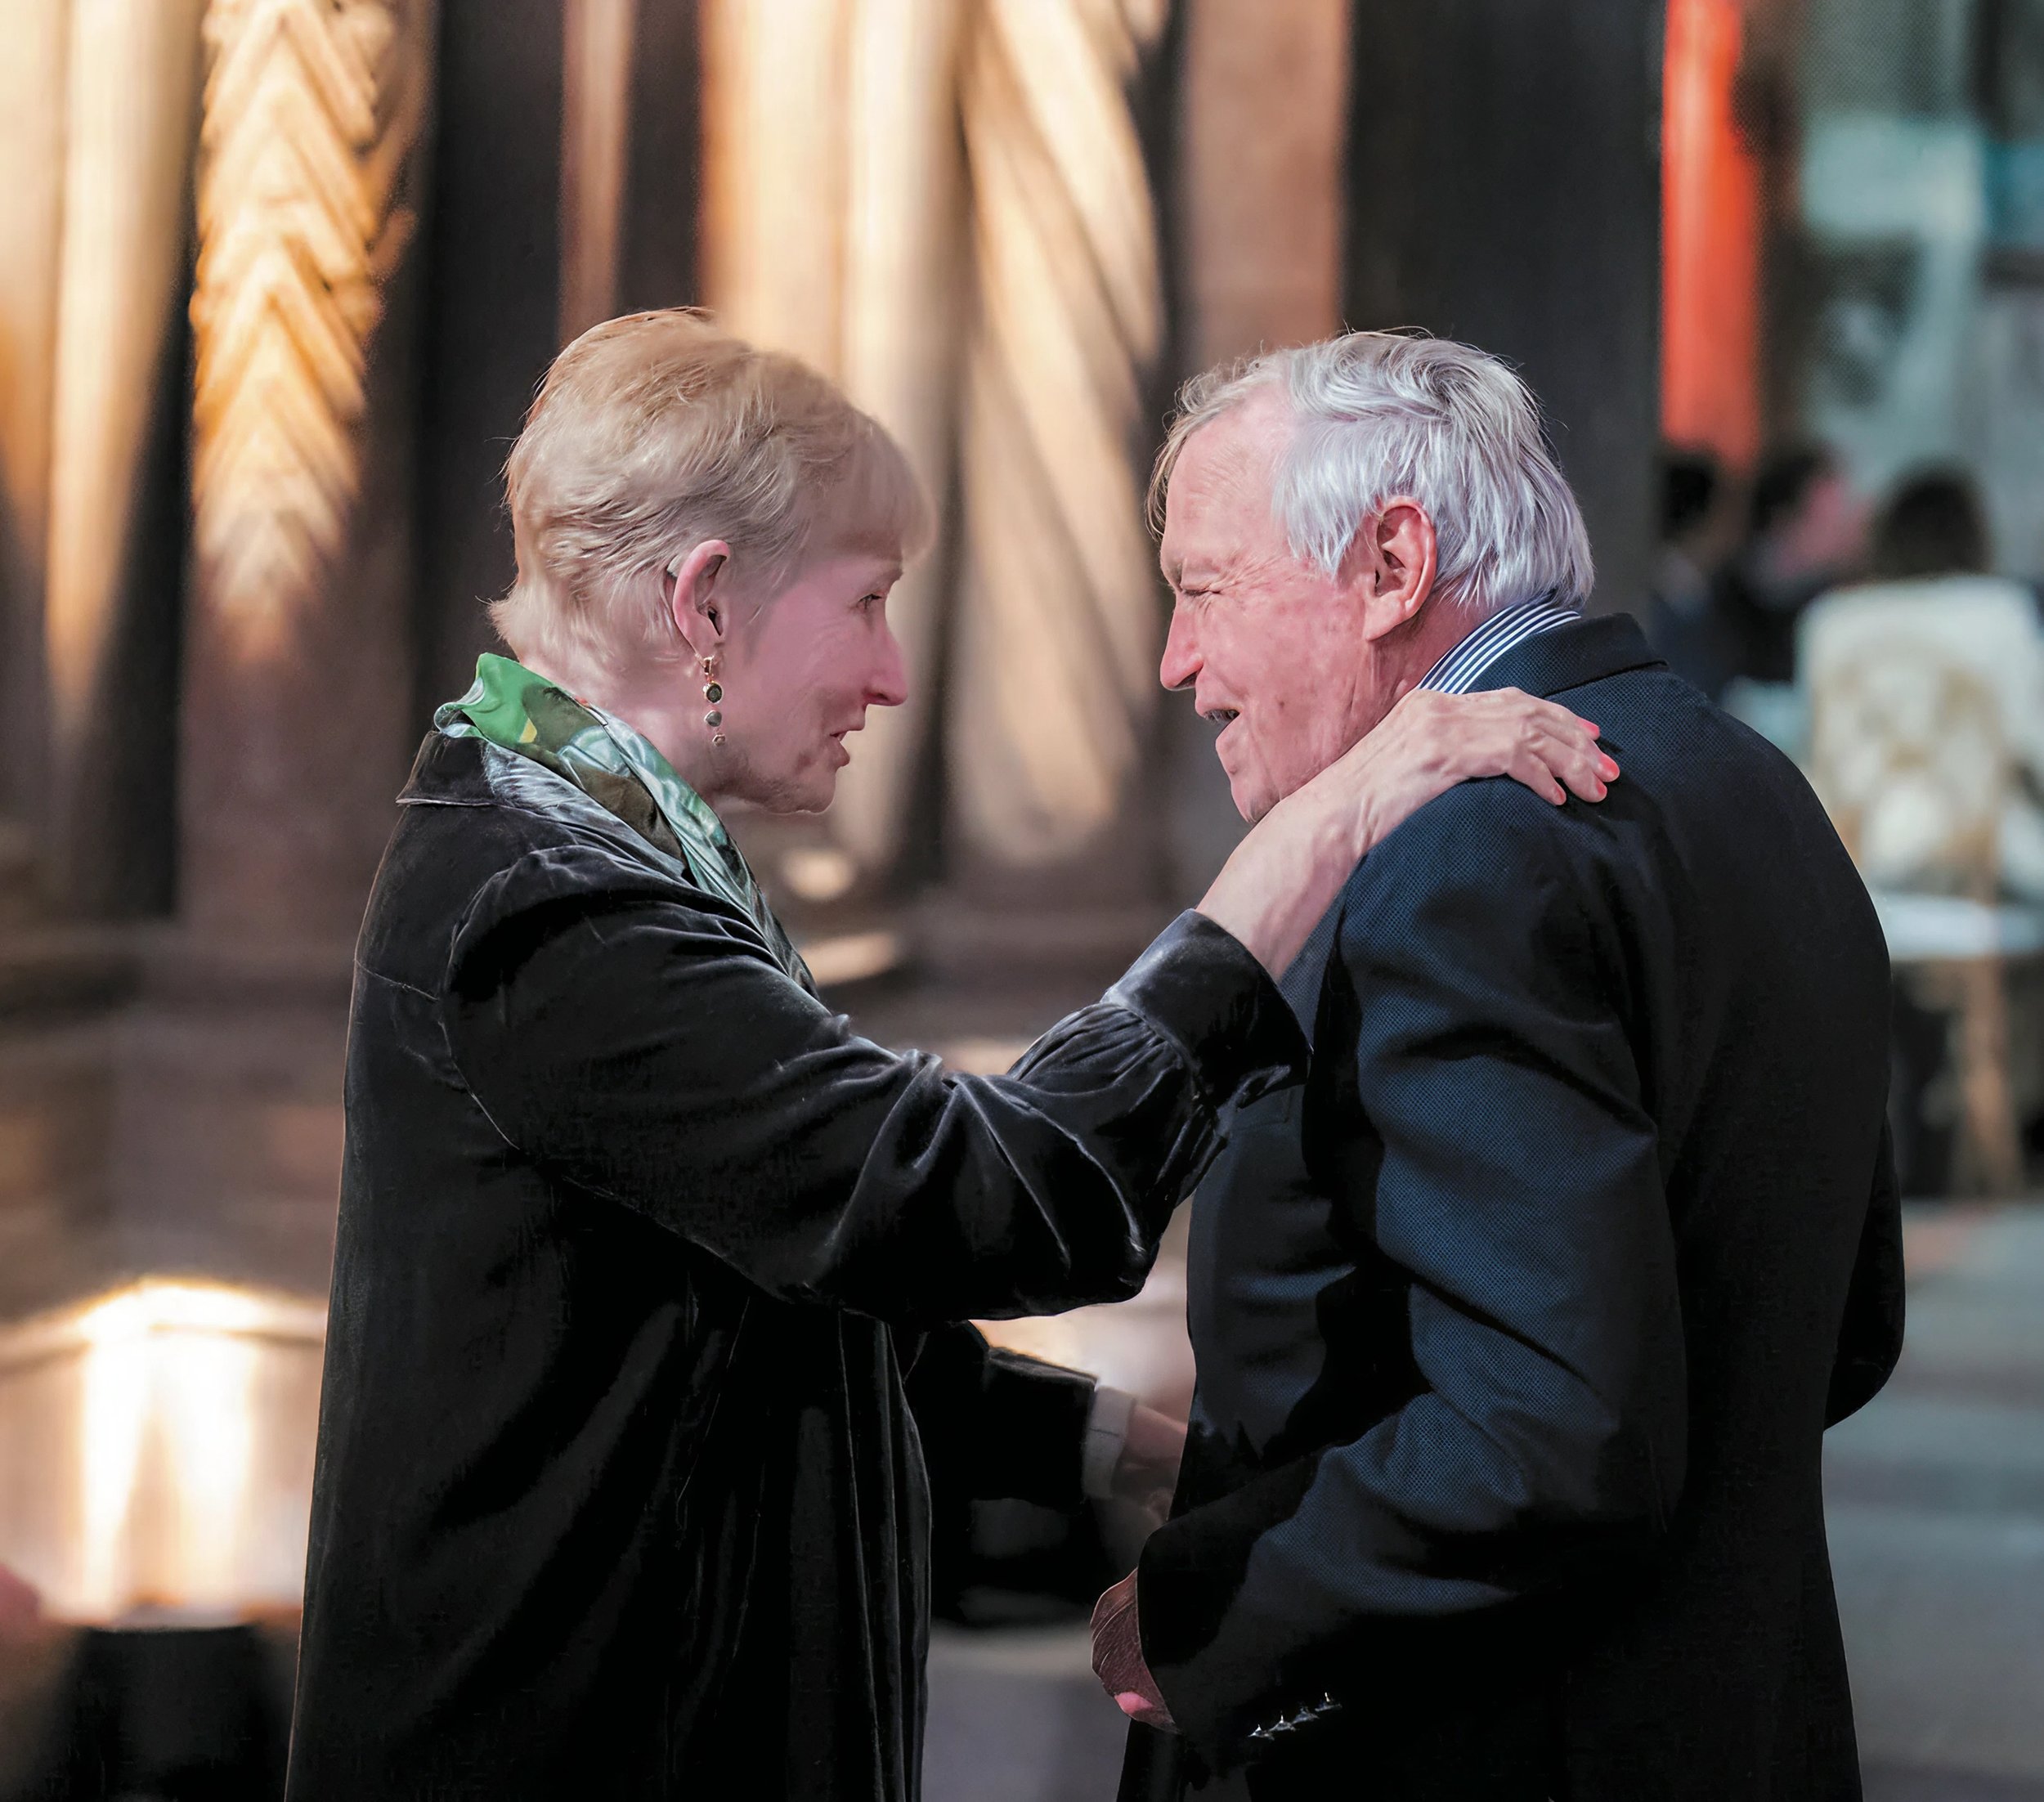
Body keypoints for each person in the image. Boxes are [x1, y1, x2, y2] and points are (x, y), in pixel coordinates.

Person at [282, 311, 1612, 1801]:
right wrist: (1331, 820)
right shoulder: (543, 905)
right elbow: (978, 1200)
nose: (894, 675)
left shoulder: (598, 844)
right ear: (706, 602)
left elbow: (818, 1306)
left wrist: (1139, 1450)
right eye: (866, 603)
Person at [1090, 332, 1905, 1801]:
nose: (1177, 665)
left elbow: (1546, 1430)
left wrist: (1214, 1606)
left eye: (1205, 590)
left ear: (1391, 565)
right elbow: (1846, 1329)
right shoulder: (1752, 785)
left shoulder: (1467, 851)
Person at [1714, 442, 1866, 687]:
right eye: (1830, 518)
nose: (1848, 529)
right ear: (1782, 520)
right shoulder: (1723, 601)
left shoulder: (1840, 598)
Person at [1643, 445, 1737, 698]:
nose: (1734, 527)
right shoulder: (1660, 601)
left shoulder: (1703, 591)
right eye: (1727, 511)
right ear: (1701, 519)